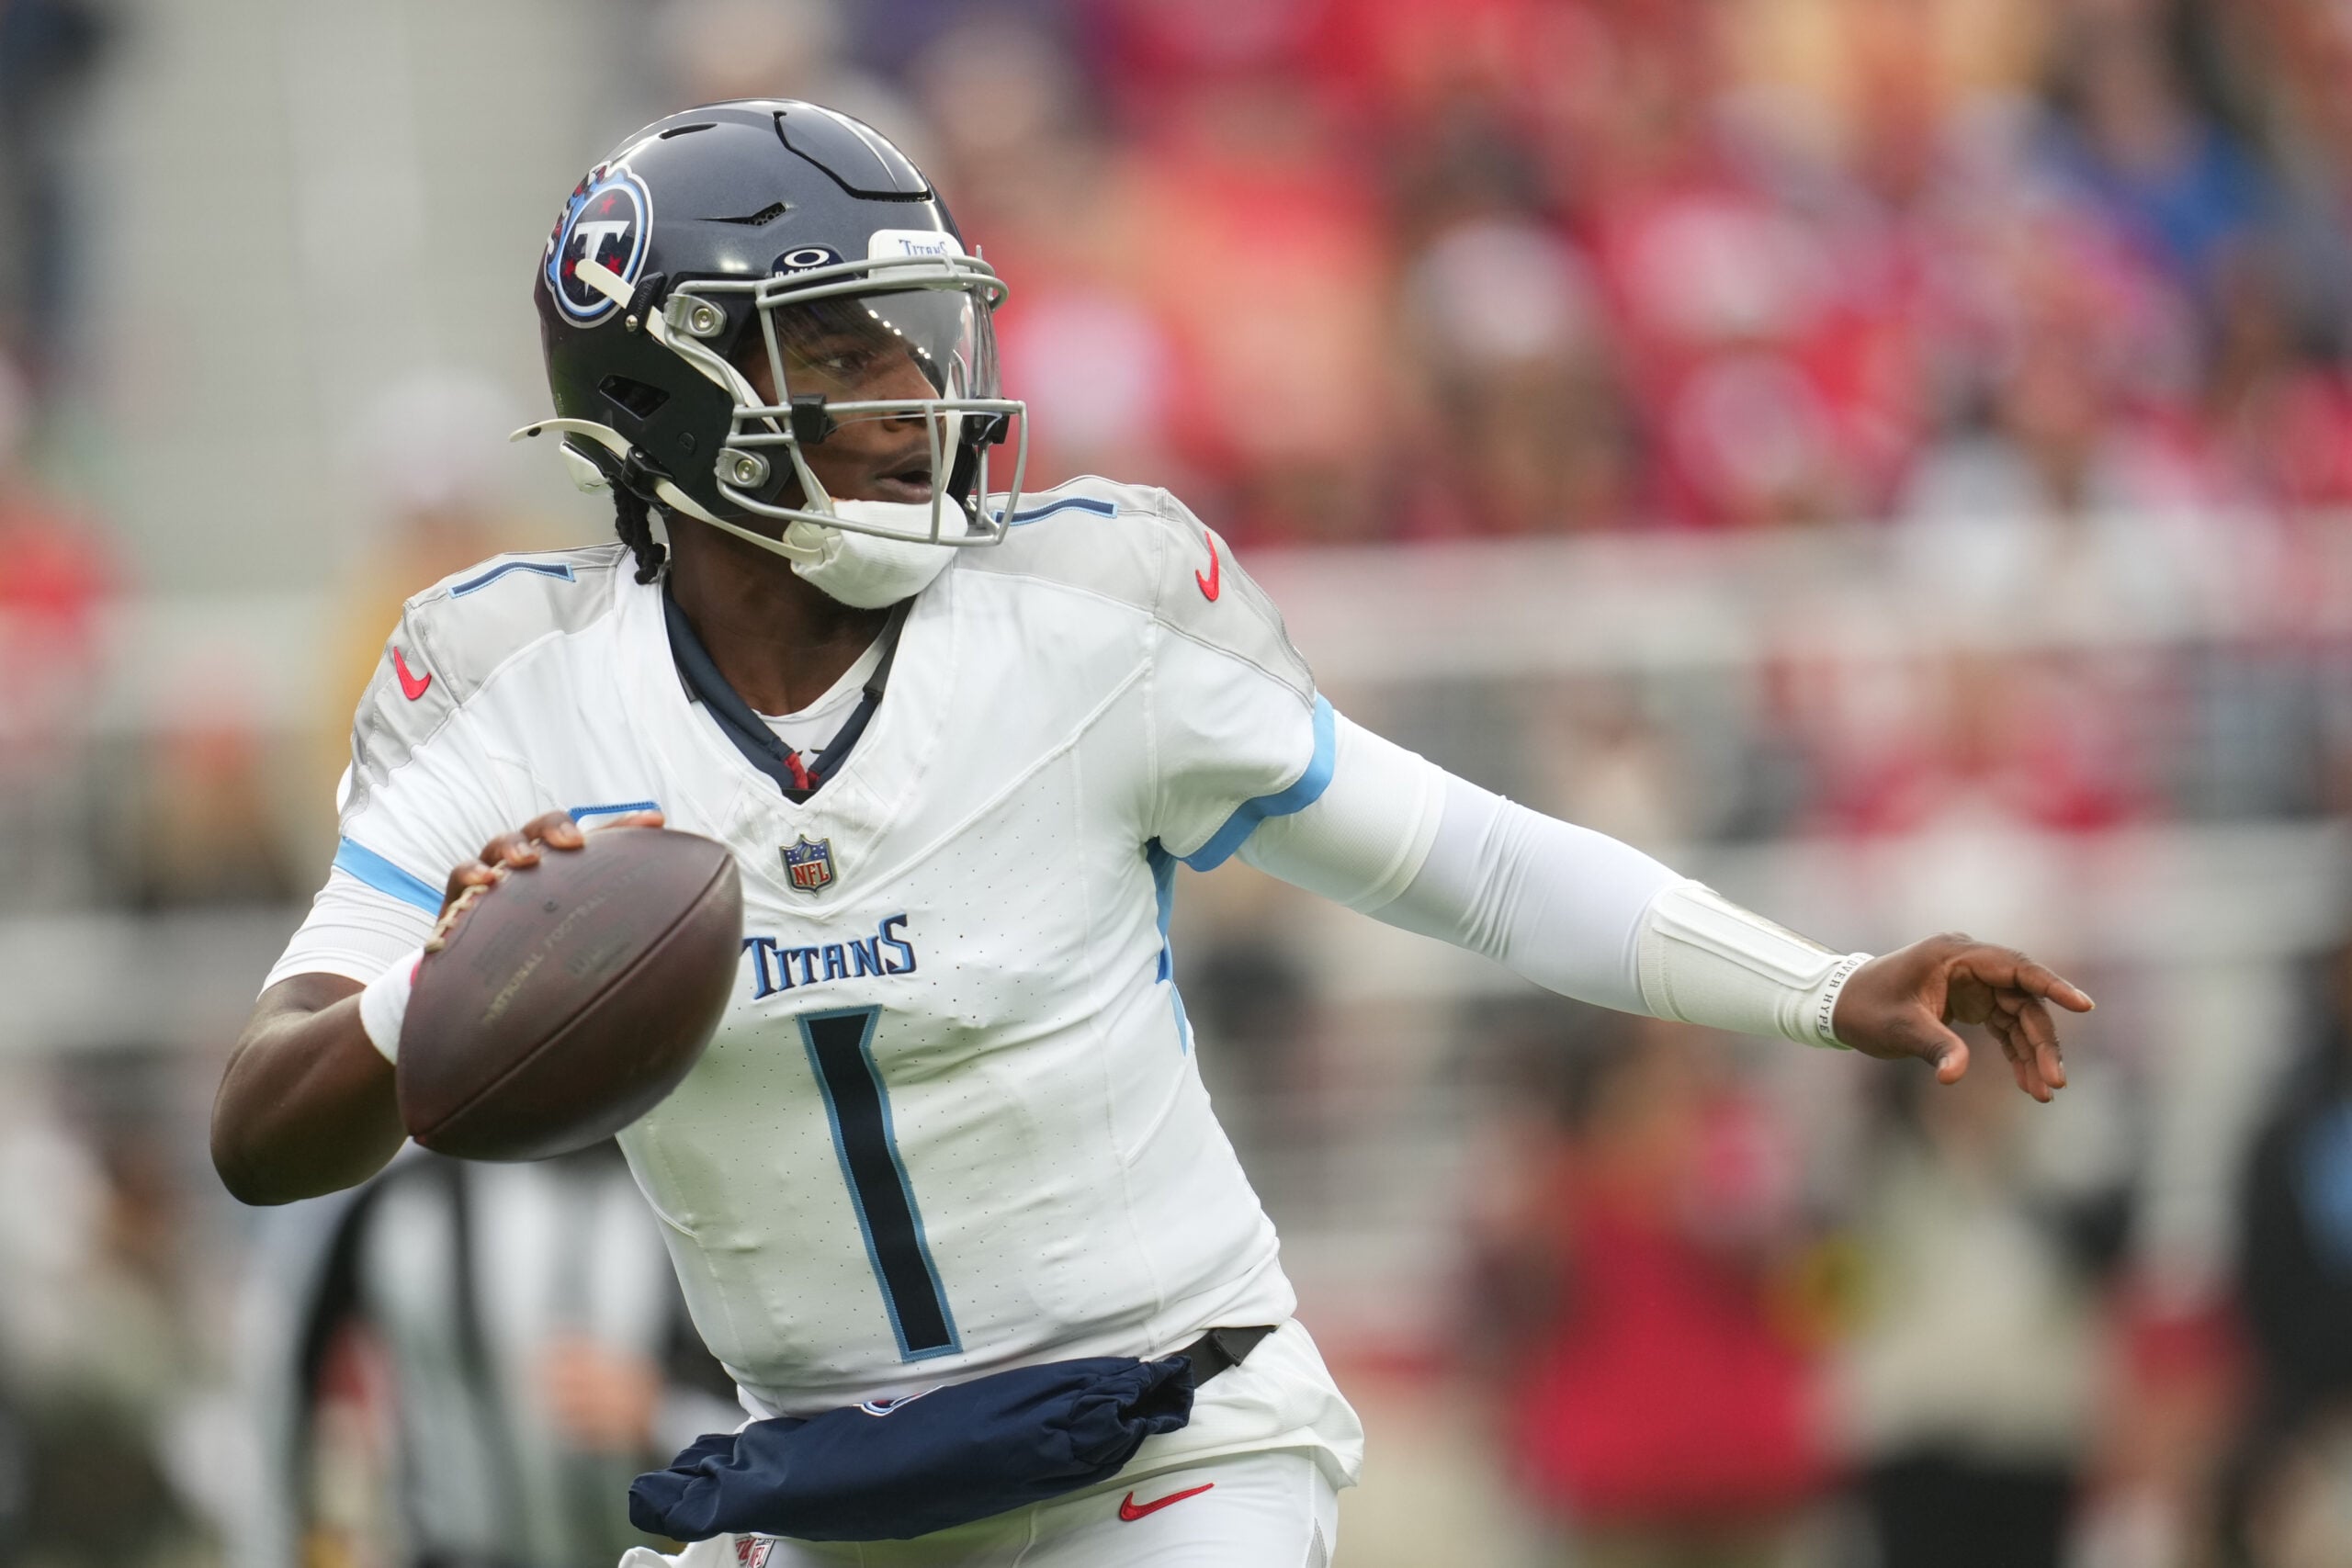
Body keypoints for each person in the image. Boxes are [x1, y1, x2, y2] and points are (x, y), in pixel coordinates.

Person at [209, 101, 2092, 1568]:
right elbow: (263, 1125)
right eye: (842, 354)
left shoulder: (1084, 611)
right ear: (667, 394)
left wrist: (1817, 985)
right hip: (820, 1470)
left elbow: (1474, 862)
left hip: (1172, 1433)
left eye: (919, 338)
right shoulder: (509, 684)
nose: (918, 399)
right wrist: (439, 995)